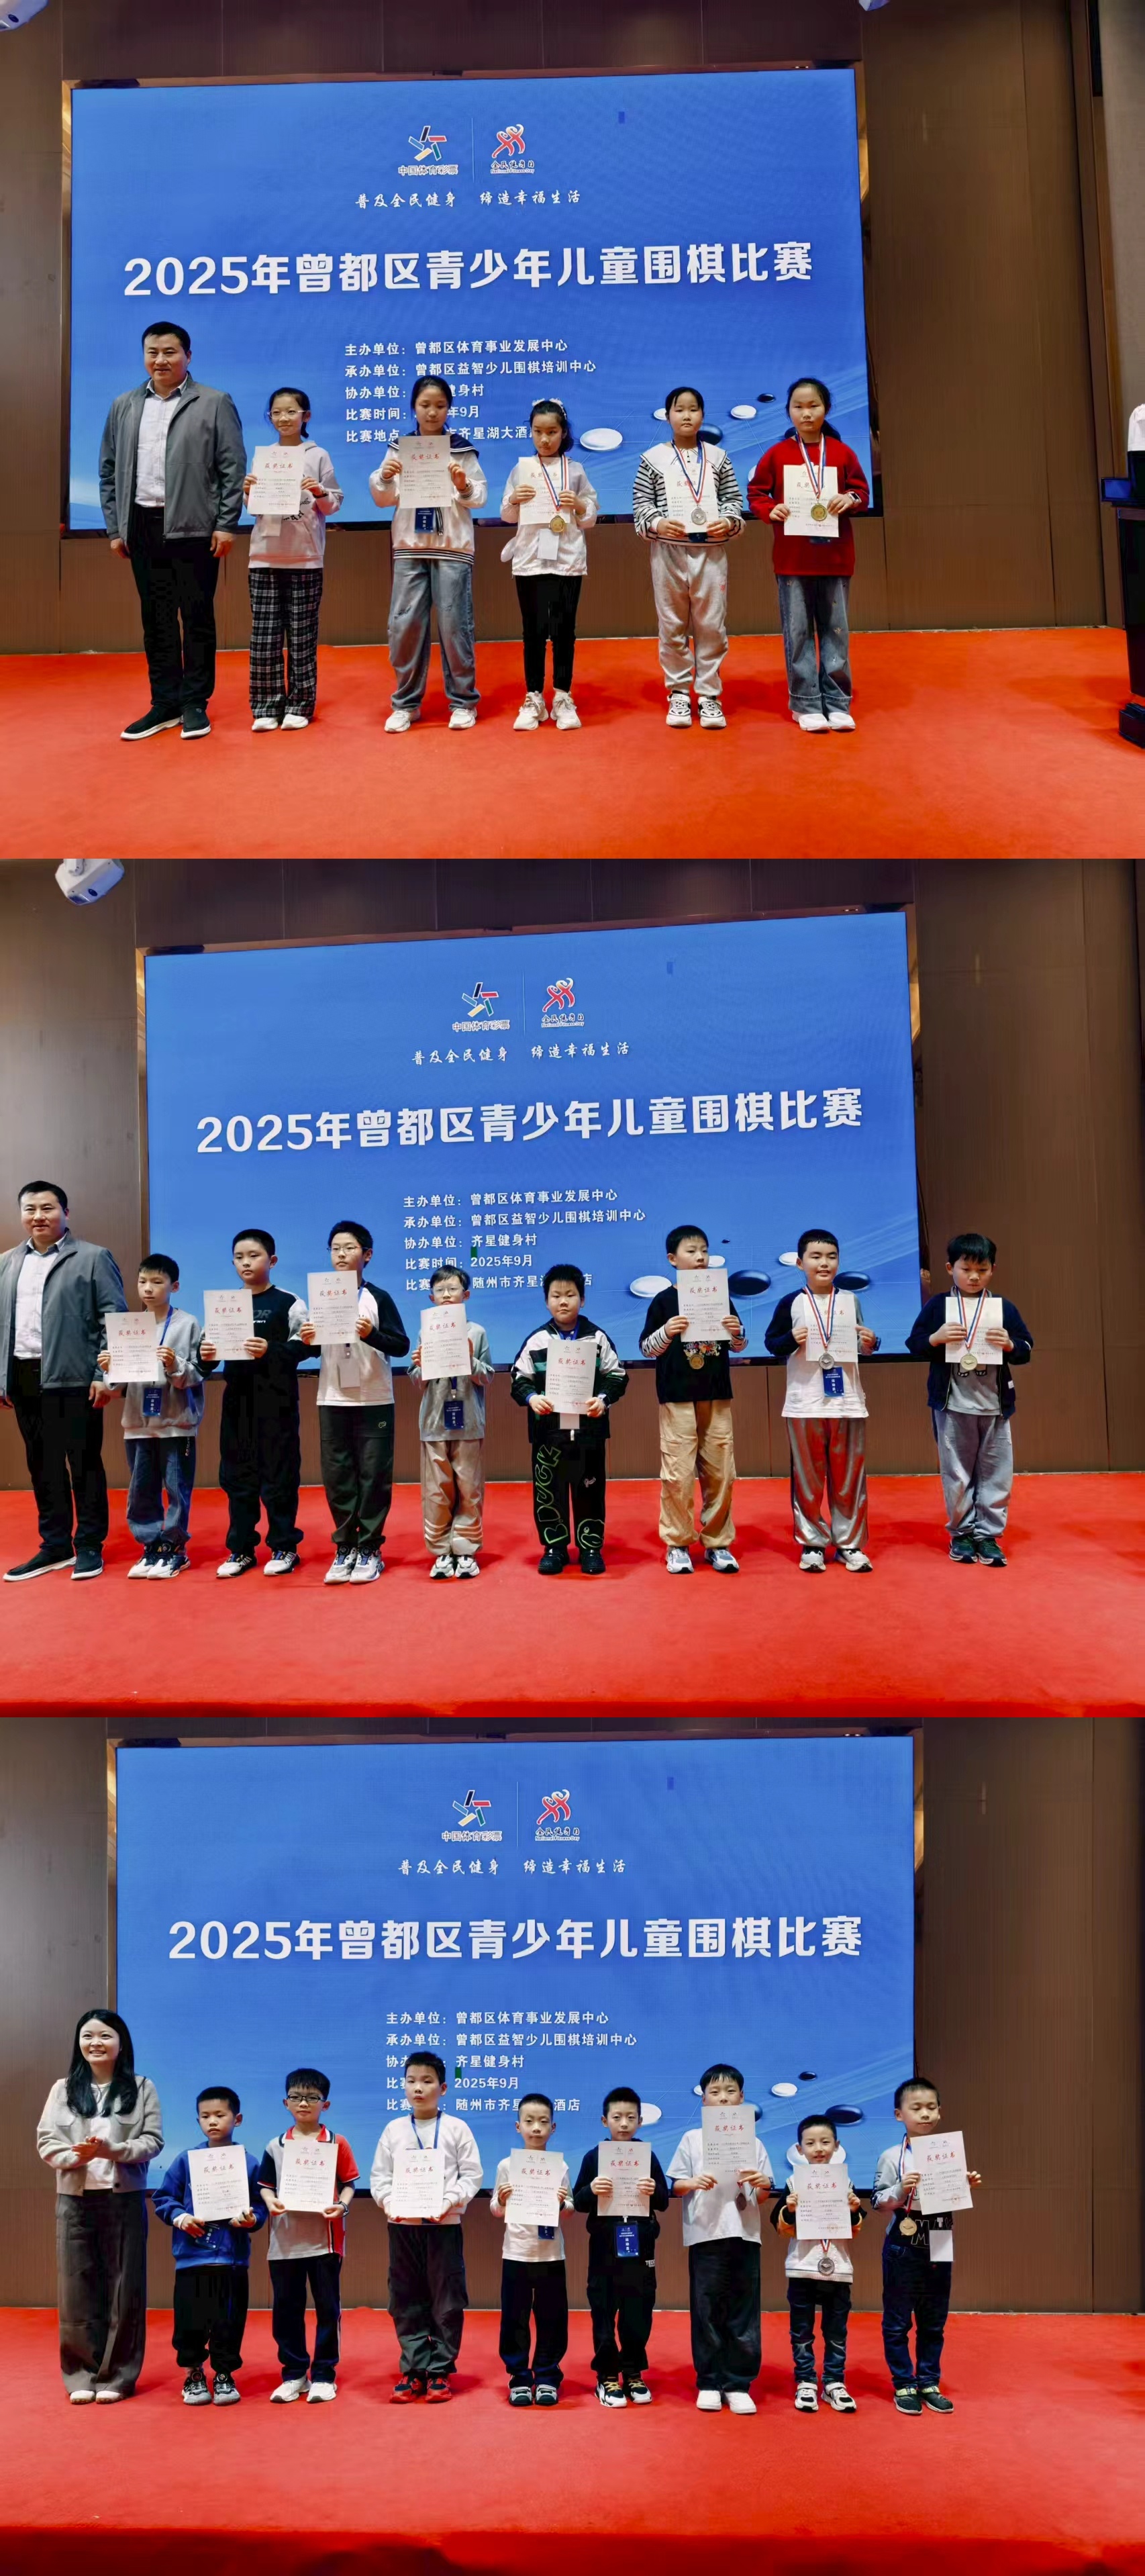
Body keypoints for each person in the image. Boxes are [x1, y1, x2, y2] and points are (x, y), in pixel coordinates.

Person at [98, 319, 245, 742]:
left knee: (197, 616)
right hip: (142, 525)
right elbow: (108, 470)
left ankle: (195, 702)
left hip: (195, 527)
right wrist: (116, 528)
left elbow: (232, 468)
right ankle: (164, 703)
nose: (160, 360)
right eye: (152, 352)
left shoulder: (214, 402)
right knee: (156, 618)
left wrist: (226, 524)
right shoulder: (125, 405)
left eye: (169, 352)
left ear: (188, 356)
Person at [36, 2009, 163, 2403]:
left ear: (121, 2043)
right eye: (88, 2035)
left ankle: (118, 2376)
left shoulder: (141, 2088)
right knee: (77, 2289)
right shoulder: (62, 2089)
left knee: (126, 2289)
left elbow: (153, 2141)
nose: (96, 2043)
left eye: (105, 2036)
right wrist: (76, 2156)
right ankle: (81, 2375)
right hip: (75, 2201)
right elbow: (46, 2141)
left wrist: (113, 2150)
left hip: (123, 2199)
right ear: (79, 2043)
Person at [0, 1180, 123, 1583]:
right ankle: (55, 1546)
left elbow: (114, 1320)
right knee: (42, 1464)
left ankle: (89, 1544)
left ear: (65, 1213)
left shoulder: (93, 1258)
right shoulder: (7, 1263)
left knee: (84, 1463)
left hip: (76, 1379)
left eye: (48, 1208)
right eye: (30, 1209)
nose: (39, 1216)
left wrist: (104, 1375)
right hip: (23, 1375)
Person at [746, 377, 869, 733]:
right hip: (793, 559)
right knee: (798, 632)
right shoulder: (777, 454)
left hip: (835, 557)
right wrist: (770, 509)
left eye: (813, 406)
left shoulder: (843, 453)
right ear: (788, 412)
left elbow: (861, 492)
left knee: (836, 631)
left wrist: (849, 499)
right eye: (798, 407)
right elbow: (756, 494)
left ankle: (838, 702)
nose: (806, 413)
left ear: (826, 409)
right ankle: (805, 703)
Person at [906, 1232, 1034, 1567]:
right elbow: (914, 1343)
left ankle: (988, 1536)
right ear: (951, 1268)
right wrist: (935, 1338)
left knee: (996, 1473)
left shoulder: (1003, 1307)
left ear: (993, 1270)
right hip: (952, 1404)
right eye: (966, 1269)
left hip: (995, 1406)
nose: (974, 1276)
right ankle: (962, 1533)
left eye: (982, 1269)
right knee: (957, 1473)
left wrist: (1011, 1345)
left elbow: (1026, 1348)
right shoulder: (938, 1306)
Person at [369, 375, 487, 731]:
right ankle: (405, 703)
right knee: (404, 625)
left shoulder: (462, 450)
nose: (432, 412)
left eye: (440, 405)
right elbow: (383, 498)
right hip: (409, 547)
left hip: (452, 547)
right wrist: (385, 477)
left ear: (449, 408)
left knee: (455, 626)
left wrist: (464, 485)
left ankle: (463, 701)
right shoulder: (400, 448)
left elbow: (480, 497)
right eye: (425, 405)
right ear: (414, 408)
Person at [297, 1219, 409, 1586]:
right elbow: (310, 1350)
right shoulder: (322, 1297)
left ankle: (370, 1548)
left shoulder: (379, 1298)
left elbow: (401, 1345)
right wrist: (308, 1341)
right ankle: (345, 1546)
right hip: (333, 1398)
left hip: (374, 1398)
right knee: (338, 1476)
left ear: (367, 1255)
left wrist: (371, 1334)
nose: (341, 1255)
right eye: (335, 1249)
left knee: (374, 1476)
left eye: (349, 1248)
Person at [370, 2050, 483, 2403]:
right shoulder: (394, 2130)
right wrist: (391, 2204)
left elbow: (472, 2176)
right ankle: (414, 2369)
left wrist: (448, 2201)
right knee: (405, 2297)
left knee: (447, 2298)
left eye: (427, 2081)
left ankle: (440, 2371)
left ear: (443, 2088)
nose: (418, 2088)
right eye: (411, 2081)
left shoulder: (457, 2128)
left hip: (443, 2226)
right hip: (403, 2227)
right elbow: (379, 2179)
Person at [764, 1229, 879, 1572]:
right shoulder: (791, 1302)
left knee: (849, 1478)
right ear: (800, 1263)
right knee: (808, 1478)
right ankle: (812, 1543)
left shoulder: (851, 1301)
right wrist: (790, 1338)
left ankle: (850, 1544)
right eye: (815, 1257)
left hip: (848, 1401)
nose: (824, 1263)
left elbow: (861, 1344)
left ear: (839, 1261)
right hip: (804, 1402)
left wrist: (871, 1343)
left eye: (831, 1257)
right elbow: (772, 1344)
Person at [632, 385, 744, 728]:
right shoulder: (653, 459)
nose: (686, 416)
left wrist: (728, 521)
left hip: (710, 555)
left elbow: (733, 501)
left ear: (703, 415)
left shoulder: (718, 458)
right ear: (667, 416)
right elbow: (641, 506)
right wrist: (658, 523)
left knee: (711, 625)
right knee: (672, 625)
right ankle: (679, 692)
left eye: (693, 409)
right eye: (679, 409)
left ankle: (709, 694)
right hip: (668, 553)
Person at [198, 1228, 307, 1578]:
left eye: (254, 1256)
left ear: (272, 1261)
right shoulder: (225, 1306)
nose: (246, 1263)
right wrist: (206, 1356)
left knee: (279, 1476)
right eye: (239, 1257)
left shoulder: (288, 1302)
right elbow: (206, 1359)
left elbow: (309, 1346)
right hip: (238, 1402)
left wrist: (271, 1350)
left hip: (277, 1403)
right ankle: (241, 1549)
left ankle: (284, 1546)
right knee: (237, 1478)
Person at [668, 2061, 774, 2414]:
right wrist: (692, 2182)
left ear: (742, 2098)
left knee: (744, 2310)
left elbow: (763, 2195)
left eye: (730, 2091)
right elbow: (677, 2186)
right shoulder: (692, 2139)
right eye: (715, 2092)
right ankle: (710, 2382)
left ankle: (738, 2384)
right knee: (707, 2310)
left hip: (745, 2233)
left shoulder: (754, 2142)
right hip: (706, 2233)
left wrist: (763, 2184)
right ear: (704, 2100)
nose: (723, 2098)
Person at [640, 1225, 746, 1574]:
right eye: (691, 1251)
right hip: (677, 1396)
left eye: (704, 1250)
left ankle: (718, 1543)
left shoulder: (720, 1294)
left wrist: (737, 1332)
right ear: (673, 1259)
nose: (700, 1257)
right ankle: (678, 1543)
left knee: (721, 1472)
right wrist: (666, 1331)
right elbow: (646, 1348)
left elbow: (739, 1345)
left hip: (716, 1393)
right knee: (678, 1474)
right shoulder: (663, 1300)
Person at [873, 2076, 981, 2414]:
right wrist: (900, 2190)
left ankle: (929, 2382)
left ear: (940, 2112)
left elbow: (950, 2194)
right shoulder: (891, 2156)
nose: (925, 2114)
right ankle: (904, 2383)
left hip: (940, 2238)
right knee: (898, 2321)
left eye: (931, 2108)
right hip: (903, 2242)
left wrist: (965, 2184)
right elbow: (877, 2202)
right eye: (916, 2108)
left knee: (934, 2320)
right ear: (898, 2115)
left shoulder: (948, 2153)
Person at [510, 1263, 628, 1575]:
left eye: (571, 1295)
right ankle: (555, 1548)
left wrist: (603, 1400)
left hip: (589, 1433)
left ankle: (590, 1547)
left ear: (583, 1299)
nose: (563, 1301)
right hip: (549, 1435)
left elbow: (617, 1376)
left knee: (590, 1491)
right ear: (546, 1301)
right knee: (550, 1492)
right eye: (556, 1295)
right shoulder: (537, 1341)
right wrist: (532, 1399)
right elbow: (518, 1380)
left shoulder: (597, 1338)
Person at [152, 2085, 266, 2405]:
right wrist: (181, 2218)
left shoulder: (249, 2163)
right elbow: (164, 2198)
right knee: (190, 2322)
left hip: (232, 2261)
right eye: (205, 2116)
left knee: (229, 2323)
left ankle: (224, 2375)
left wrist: (251, 2219)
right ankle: (193, 2375)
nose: (212, 2121)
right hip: (192, 2259)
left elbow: (261, 2206)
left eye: (220, 2115)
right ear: (198, 2121)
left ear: (237, 2119)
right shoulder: (186, 2160)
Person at [97, 1251, 203, 1578]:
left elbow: (197, 1375)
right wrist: (109, 1369)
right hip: (138, 1422)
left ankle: (174, 1548)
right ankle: (152, 1546)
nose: (148, 1288)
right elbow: (116, 1386)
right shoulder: (128, 1326)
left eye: (157, 1282)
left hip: (176, 1422)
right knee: (141, 1487)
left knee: (177, 1487)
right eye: (143, 1281)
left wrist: (174, 1364)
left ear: (175, 1286)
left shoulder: (187, 1323)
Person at [256, 2066, 359, 2404]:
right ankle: (294, 2374)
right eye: (297, 2097)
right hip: (285, 2243)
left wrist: (342, 2206)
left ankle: (325, 2375)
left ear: (325, 2105)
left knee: (328, 2310)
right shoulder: (276, 2145)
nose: (304, 2103)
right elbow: (265, 2187)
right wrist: (271, 2202)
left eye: (312, 2097)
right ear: (285, 2103)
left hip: (325, 2241)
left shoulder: (337, 2143)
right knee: (286, 2311)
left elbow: (349, 2184)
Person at [244, 385, 342, 732]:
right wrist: (248, 492)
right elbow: (254, 508)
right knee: (265, 637)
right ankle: (266, 706)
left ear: (306, 416)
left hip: (304, 557)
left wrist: (319, 491)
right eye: (276, 412)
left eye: (291, 412)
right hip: (264, 555)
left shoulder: (318, 455)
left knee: (302, 636)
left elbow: (334, 504)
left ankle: (300, 704)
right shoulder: (264, 456)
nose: (283, 418)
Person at [500, 397, 598, 731]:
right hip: (530, 558)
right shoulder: (522, 469)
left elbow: (589, 518)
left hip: (567, 558)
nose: (545, 439)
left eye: (552, 432)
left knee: (564, 630)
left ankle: (562, 696)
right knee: (533, 631)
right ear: (530, 432)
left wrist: (580, 505)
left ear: (564, 432)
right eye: (538, 432)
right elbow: (506, 514)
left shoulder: (576, 470)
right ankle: (533, 697)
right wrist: (514, 499)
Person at [571, 2085, 670, 2408]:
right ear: (605, 2121)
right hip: (604, 2247)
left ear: (641, 2121)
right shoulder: (593, 2157)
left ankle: (633, 2372)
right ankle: (607, 2376)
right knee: (603, 2311)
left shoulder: (648, 2157)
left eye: (631, 2117)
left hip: (641, 2247)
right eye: (617, 2117)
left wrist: (654, 2189)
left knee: (638, 2313)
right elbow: (578, 2202)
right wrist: (591, 2189)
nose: (624, 2123)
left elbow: (664, 2202)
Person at [769, 2114, 864, 2412]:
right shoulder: (792, 2183)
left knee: (837, 2332)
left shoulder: (846, 2182)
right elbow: (779, 2226)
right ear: (799, 2149)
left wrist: (854, 2210)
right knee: (801, 2331)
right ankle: (806, 2381)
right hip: (803, 2267)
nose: (819, 2148)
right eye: (810, 2143)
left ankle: (834, 2382)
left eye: (825, 2142)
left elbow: (856, 2228)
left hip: (839, 2268)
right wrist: (790, 2209)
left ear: (837, 2145)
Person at [408, 1264, 493, 1578]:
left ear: (465, 1295)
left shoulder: (477, 1332)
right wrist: (420, 1365)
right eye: (440, 1290)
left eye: (453, 1289)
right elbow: (418, 1381)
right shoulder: (424, 1332)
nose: (446, 1295)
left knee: (470, 1489)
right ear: (431, 1297)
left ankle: (466, 1550)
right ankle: (441, 1552)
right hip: (434, 1423)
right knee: (436, 1491)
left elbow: (488, 1377)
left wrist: (470, 1360)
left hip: (468, 1422)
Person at [491, 2091, 574, 2405]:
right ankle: (519, 2377)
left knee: (552, 2317)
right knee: (515, 2317)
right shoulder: (506, 2166)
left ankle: (548, 2376)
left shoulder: (560, 2166)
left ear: (553, 2128)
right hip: (516, 2252)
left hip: (551, 2254)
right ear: (518, 2127)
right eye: (529, 2121)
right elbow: (495, 2210)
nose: (536, 2128)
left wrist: (562, 2203)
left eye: (543, 2122)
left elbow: (569, 2210)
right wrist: (502, 2200)